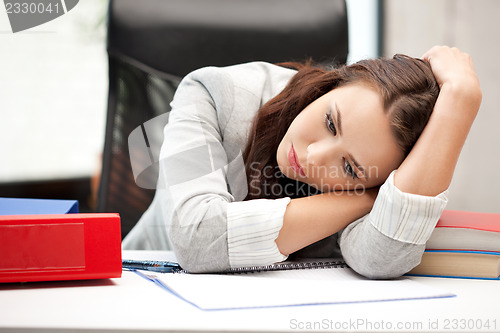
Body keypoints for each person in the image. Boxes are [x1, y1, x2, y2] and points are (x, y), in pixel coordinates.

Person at [123, 46, 482, 279]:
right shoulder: (213, 93)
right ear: (331, 84)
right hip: (142, 287)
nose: (314, 157)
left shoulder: (378, 167)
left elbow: (379, 259)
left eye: (349, 168)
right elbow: (196, 237)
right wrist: (370, 197)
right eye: (330, 122)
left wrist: (459, 105)